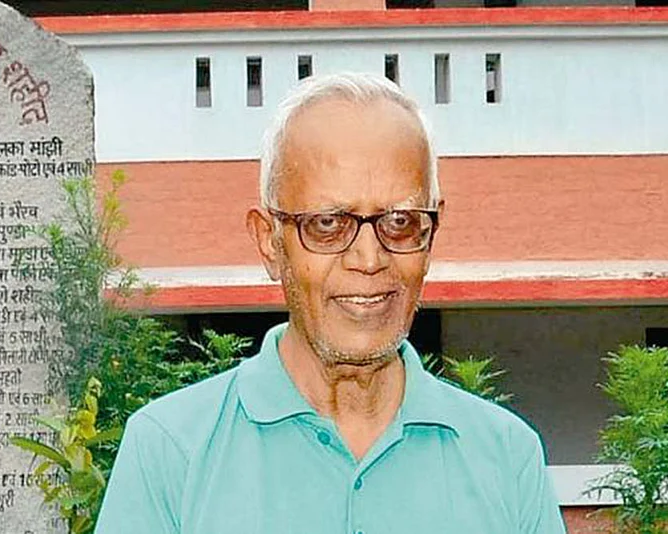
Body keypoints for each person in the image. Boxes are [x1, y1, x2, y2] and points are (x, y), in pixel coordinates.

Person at [95, 72, 566, 534]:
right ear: (269, 242)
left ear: (431, 234)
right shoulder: (171, 453)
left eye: (400, 221)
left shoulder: (507, 459)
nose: (369, 259)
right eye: (327, 224)